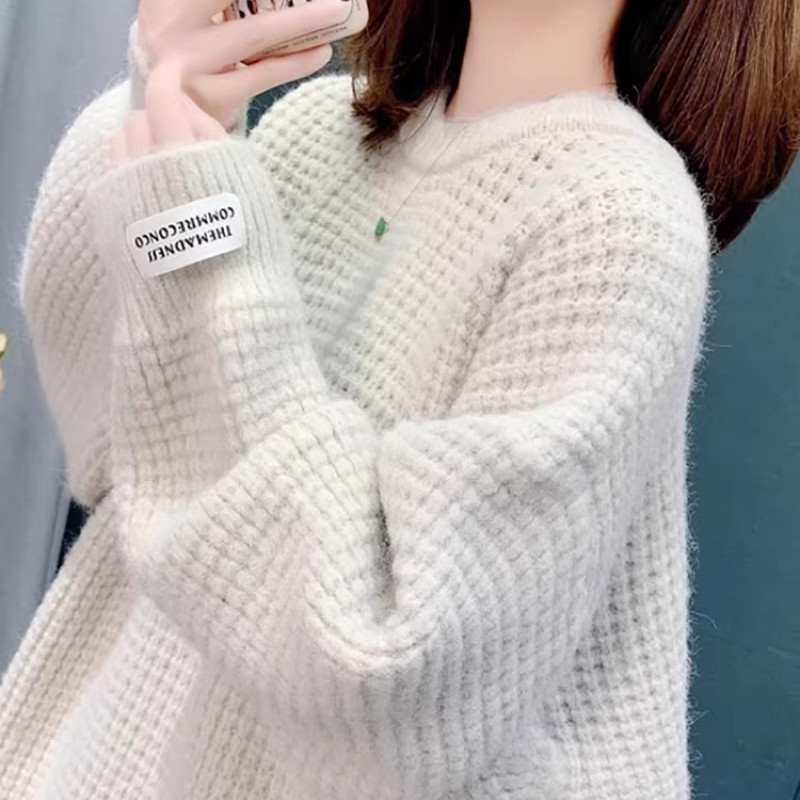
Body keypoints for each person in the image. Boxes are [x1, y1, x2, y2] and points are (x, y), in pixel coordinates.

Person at [1, 0, 797, 797]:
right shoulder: (315, 130)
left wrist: (199, 232)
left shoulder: (617, 220)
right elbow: (110, 439)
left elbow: (386, 667)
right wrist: (164, 104)